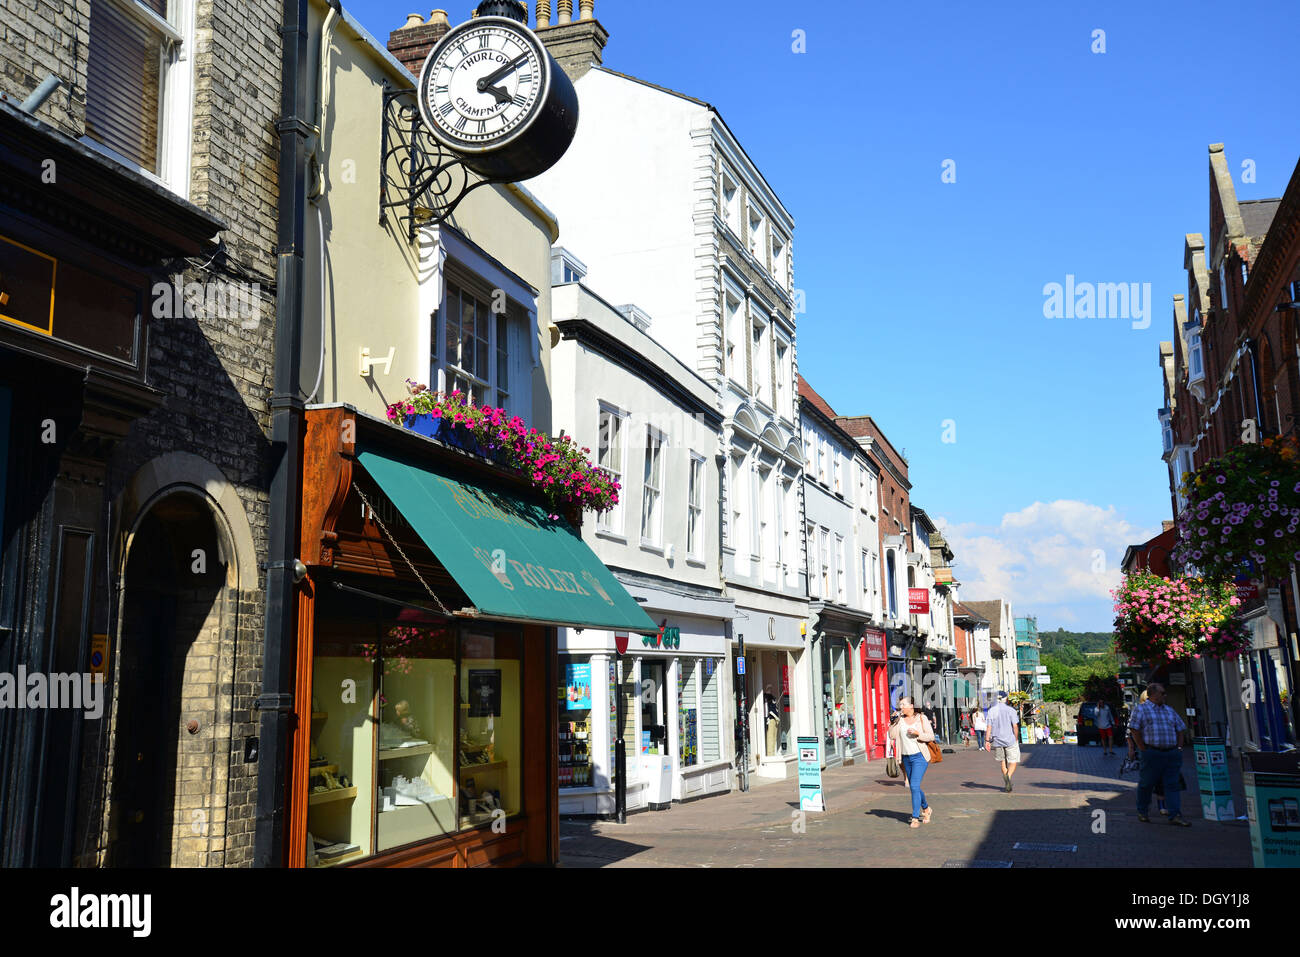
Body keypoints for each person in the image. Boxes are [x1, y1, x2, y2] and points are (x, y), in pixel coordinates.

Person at [1129, 682, 1190, 827]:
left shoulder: (1169, 710)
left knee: (1172, 785)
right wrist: (1142, 748)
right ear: (1153, 694)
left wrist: (1179, 748)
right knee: (1147, 784)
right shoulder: (1141, 710)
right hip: (1152, 752)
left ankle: (1175, 815)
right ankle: (1143, 811)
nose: (1165, 695)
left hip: (1171, 753)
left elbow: (1180, 728)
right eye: (1162, 693)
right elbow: (1134, 729)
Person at [886, 696, 935, 828]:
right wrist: (893, 722)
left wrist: (918, 733)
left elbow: (930, 736)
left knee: (913, 786)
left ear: (911, 706)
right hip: (905, 758)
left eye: (903, 705)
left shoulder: (921, 718)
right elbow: (892, 736)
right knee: (915, 787)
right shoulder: (900, 720)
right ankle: (926, 808)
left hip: (920, 757)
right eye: (900, 705)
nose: (900, 707)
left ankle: (914, 817)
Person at [985, 691, 1021, 792]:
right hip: (1010, 739)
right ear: (1006, 699)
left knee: (1003, 761)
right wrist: (1016, 738)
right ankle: (1008, 777)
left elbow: (989, 727)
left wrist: (987, 741)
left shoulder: (991, 711)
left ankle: (1006, 777)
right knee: (1013, 760)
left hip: (997, 740)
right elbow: (1015, 726)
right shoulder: (1011, 710)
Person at [763, 684, 780, 756]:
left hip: (775, 719)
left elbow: (774, 707)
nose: (770, 689)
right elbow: (767, 709)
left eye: (771, 688)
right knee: (770, 737)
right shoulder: (765, 697)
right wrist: (768, 717)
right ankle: (770, 754)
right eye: (769, 688)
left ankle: (772, 752)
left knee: (774, 737)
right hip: (770, 718)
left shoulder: (773, 697)